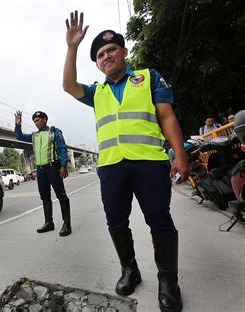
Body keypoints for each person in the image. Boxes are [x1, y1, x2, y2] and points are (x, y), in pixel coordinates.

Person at [62, 11, 189, 312]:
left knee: (160, 221)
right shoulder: (96, 92)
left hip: (149, 163)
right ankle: (130, 269)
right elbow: (68, 85)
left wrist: (180, 155)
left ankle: (168, 279)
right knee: (116, 222)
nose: (106, 56)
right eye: (100, 55)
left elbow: (167, 116)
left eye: (111, 50)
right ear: (97, 63)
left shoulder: (148, 78)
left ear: (123, 52)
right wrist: (72, 47)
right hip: (111, 167)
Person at [14, 110, 72, 237]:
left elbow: (63, 149)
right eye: (34, 121)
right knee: (44, 197)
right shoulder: (34, 136)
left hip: (53, 168)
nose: (36, 123)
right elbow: (20, 137)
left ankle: (67, 225)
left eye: (38, 120)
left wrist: (63, 166)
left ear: (45, 119)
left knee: (61, 196)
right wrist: (18, 125)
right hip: (40, 170)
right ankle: (49, 223)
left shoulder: (54, 132)